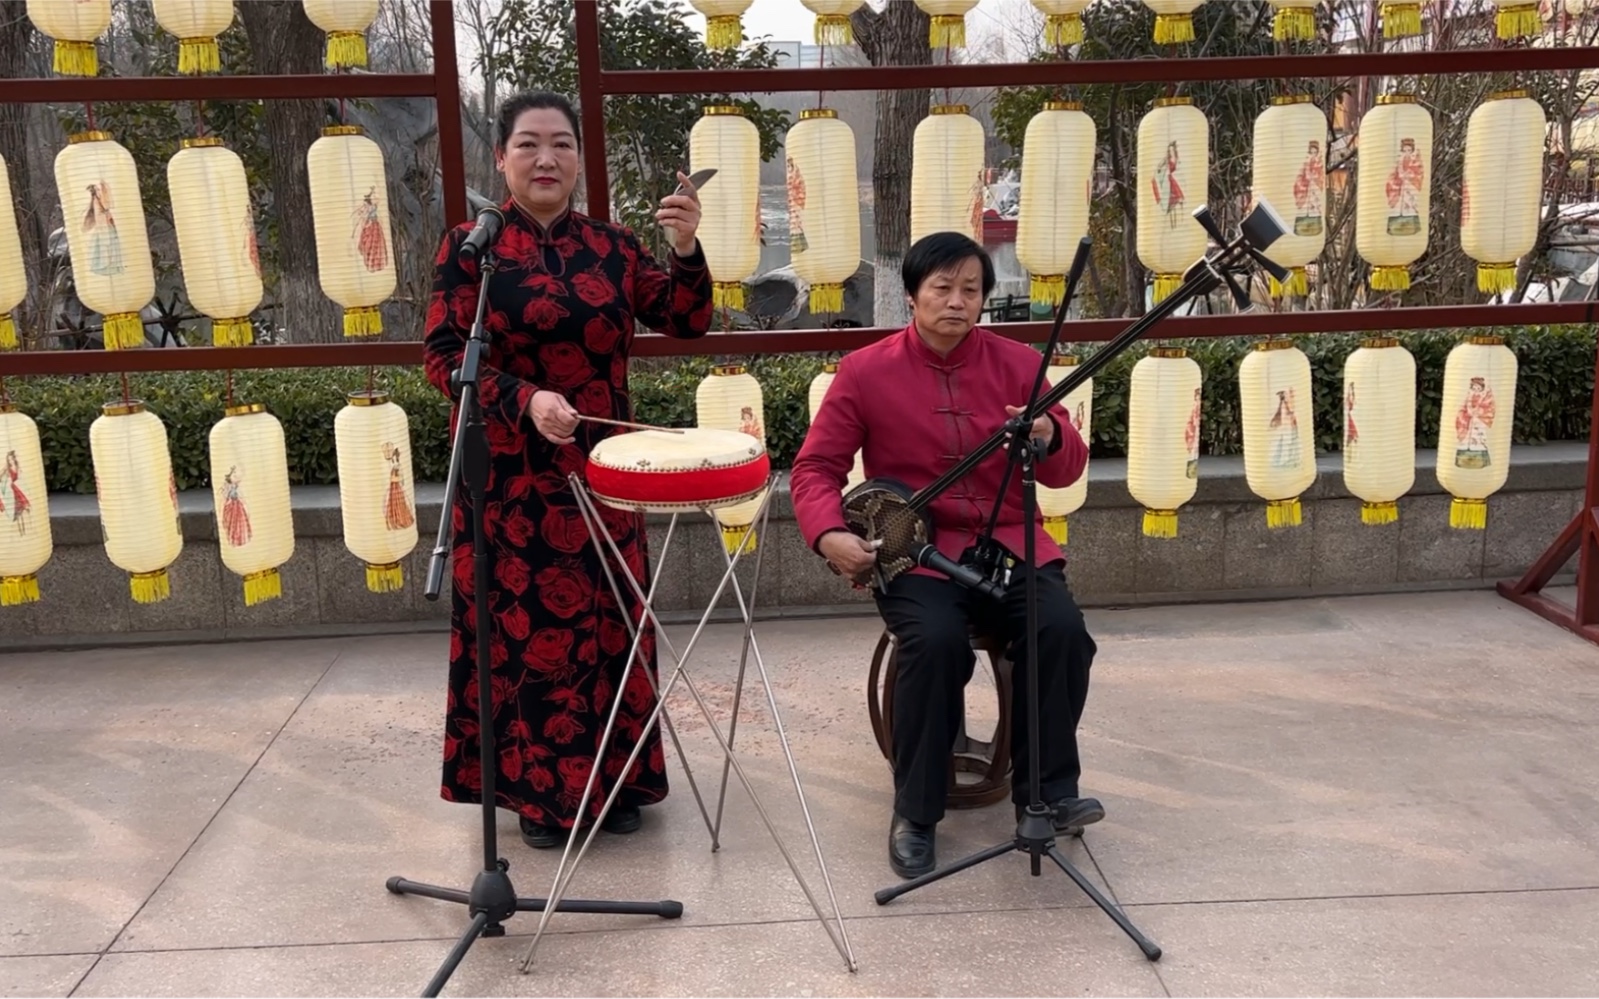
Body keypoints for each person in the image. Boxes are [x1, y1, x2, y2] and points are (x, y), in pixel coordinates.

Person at [422, 90, 714, 849]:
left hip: (603, 474)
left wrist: (685, 249)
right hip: (508, 483)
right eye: (527, 144)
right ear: (501, 157)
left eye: (559, 144)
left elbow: (684, 318)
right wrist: (522, 399)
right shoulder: (470, 248)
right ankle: (540, 797)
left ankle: (616, 783)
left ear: (580, 160)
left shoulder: (613, 247)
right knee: (527, 637)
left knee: (612, 625)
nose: (545, 158)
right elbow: (442, 356)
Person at [789, 231, 1102, 880]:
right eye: (942, 287)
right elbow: (814, 467)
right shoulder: (865, 370)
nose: (957, 302)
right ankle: (916, 811)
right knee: (933, 644)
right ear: (911, 294)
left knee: (1061, 631)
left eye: (971, 289)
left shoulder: (1019, 364)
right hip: (918, 552)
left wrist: (1047, 436)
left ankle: (1046, 795)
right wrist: (827, 533)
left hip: (1011, 541)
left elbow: (1066, 466)